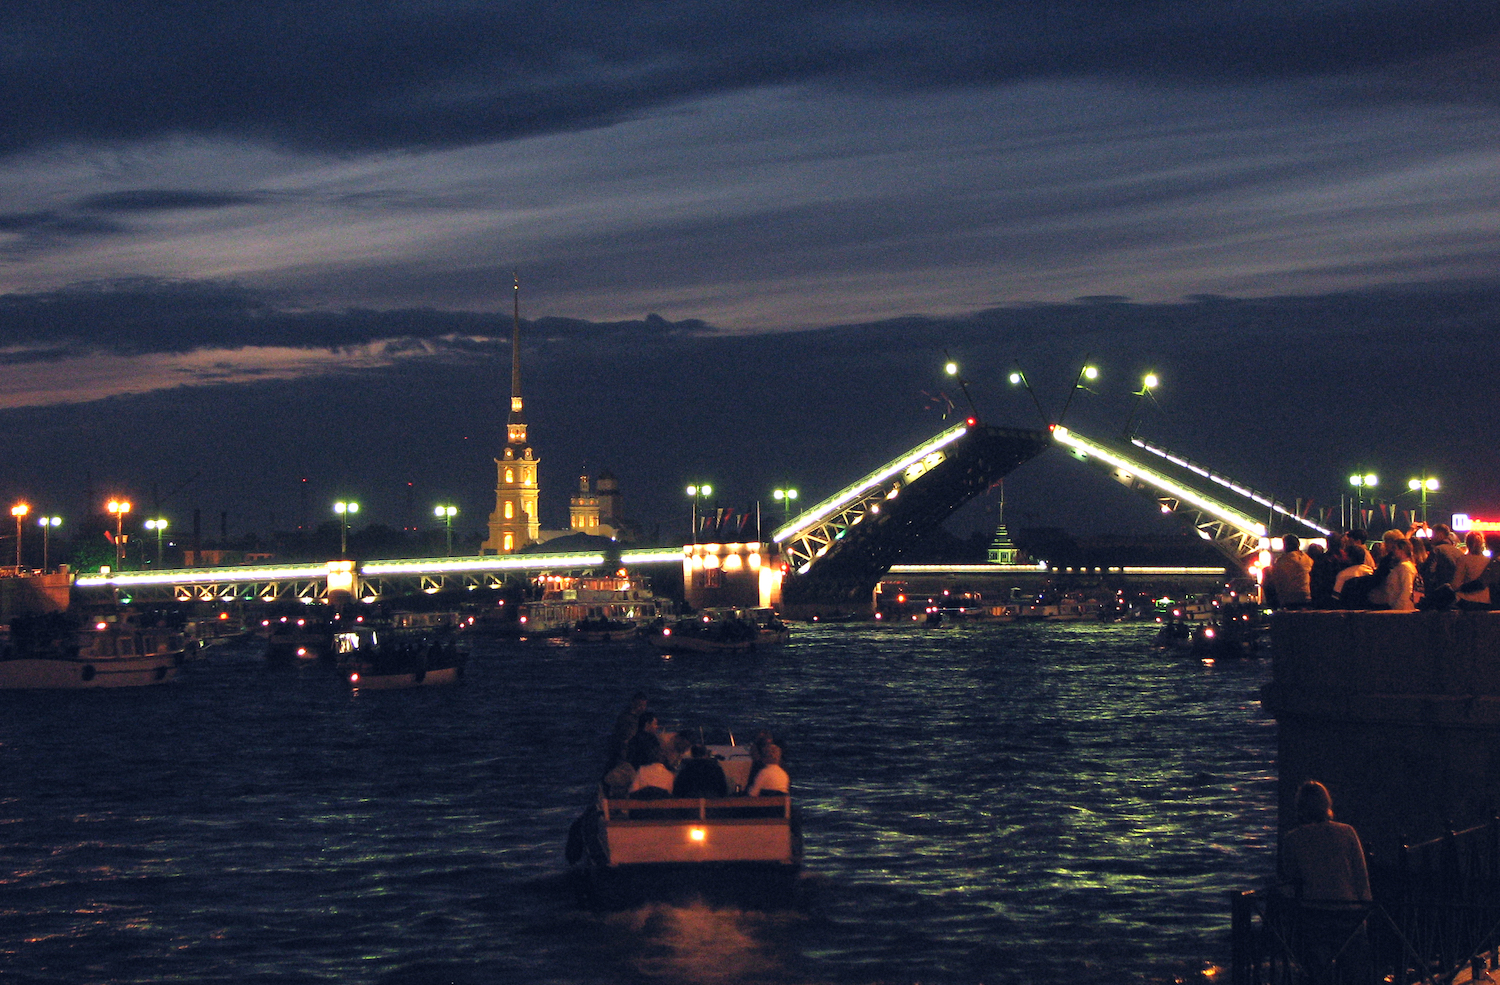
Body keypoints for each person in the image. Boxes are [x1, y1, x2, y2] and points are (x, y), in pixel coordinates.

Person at [1279, 781, 1372, 982]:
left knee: (1318, 973)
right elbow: (1360, 875)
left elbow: (1292, 879)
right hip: (1348, 910)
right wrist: (1365, 910)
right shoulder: (1347, 832)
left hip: (1315, 913)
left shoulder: (1292, 839)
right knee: (1355, 973)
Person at [1368, 533, 1417, 611]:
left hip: (1401, 609)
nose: (1393, 551)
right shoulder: (1401, 566)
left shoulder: (1405, 567)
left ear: (1402, 550)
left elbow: (1407, 589)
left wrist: (1398, 607)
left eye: (1395, 548)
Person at [1266, 536, 1313, 608]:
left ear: (1286, 545)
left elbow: (1275, 580)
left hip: (1288, 599)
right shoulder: (1306, 559)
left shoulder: (1281, 561)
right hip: (1306, 597)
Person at [1454, 532, 1492, 611]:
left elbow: (1456, 583)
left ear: (1467, 543)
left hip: (1467, 600)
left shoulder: (1463, 559)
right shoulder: (1488, 560)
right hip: (1485, 599)